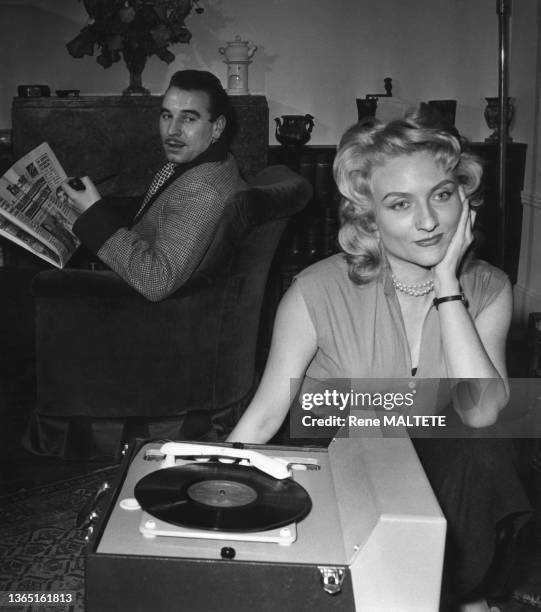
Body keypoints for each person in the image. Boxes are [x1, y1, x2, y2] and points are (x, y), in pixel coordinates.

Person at [227, 110, 531, 611]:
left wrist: (449, 287)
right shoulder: (315, 291)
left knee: (484, 441)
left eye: (441, 194)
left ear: (463, 197)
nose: (429, 221)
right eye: (399, 204)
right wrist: (211, 481)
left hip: (443, 483)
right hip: (342, 467)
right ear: (369, 216)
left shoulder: (488, 288)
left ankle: (449, 593)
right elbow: (264, 415)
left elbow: (480, 412)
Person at [61, 70, 245, 301]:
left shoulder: (202, 189)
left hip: (137, 312)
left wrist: (94, 215)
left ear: (217, 127)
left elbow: (157, 280)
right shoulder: (211, 162)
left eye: (188, 118)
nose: (172, 131)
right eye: (167, 115)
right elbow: (153, 218)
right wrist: (94, 207)